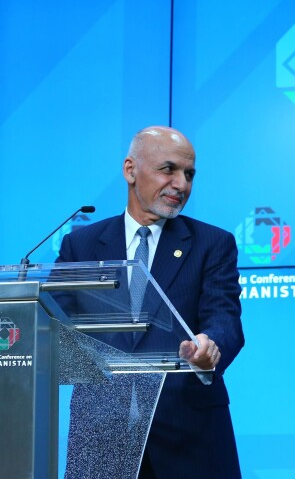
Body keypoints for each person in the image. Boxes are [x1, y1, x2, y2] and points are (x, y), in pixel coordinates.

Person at [56, 126, 245, 478]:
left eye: (189, 174)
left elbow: (224, 318)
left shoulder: (212, 243)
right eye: (168, 169)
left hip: (189, 434)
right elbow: (53, 325)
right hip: (101, 435)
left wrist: (209, 347)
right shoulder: (80, 245)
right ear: (130, 170)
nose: (181, 184)